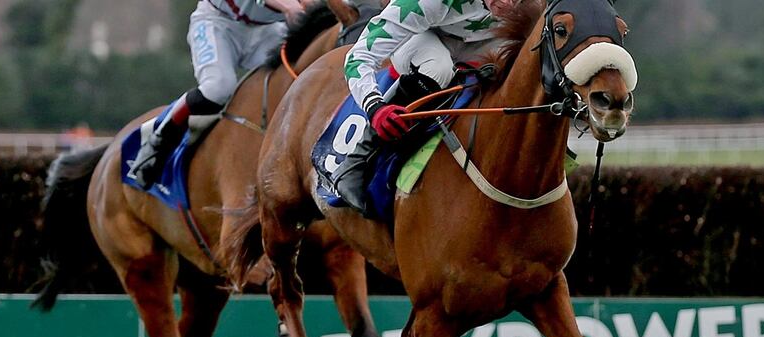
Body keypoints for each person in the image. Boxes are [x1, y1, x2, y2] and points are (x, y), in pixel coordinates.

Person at [331, 0, 513, 212]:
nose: (508, 2)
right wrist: (376, 108)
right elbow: (358, 57)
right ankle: (358, 159)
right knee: (439, 68)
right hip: (420, 37)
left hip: (484, 41)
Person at [130, 0, 306, 188]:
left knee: (299, 80)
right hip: (217, 21)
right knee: (217, 89)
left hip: (268, 30)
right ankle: (158, 140)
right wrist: (290, 6)